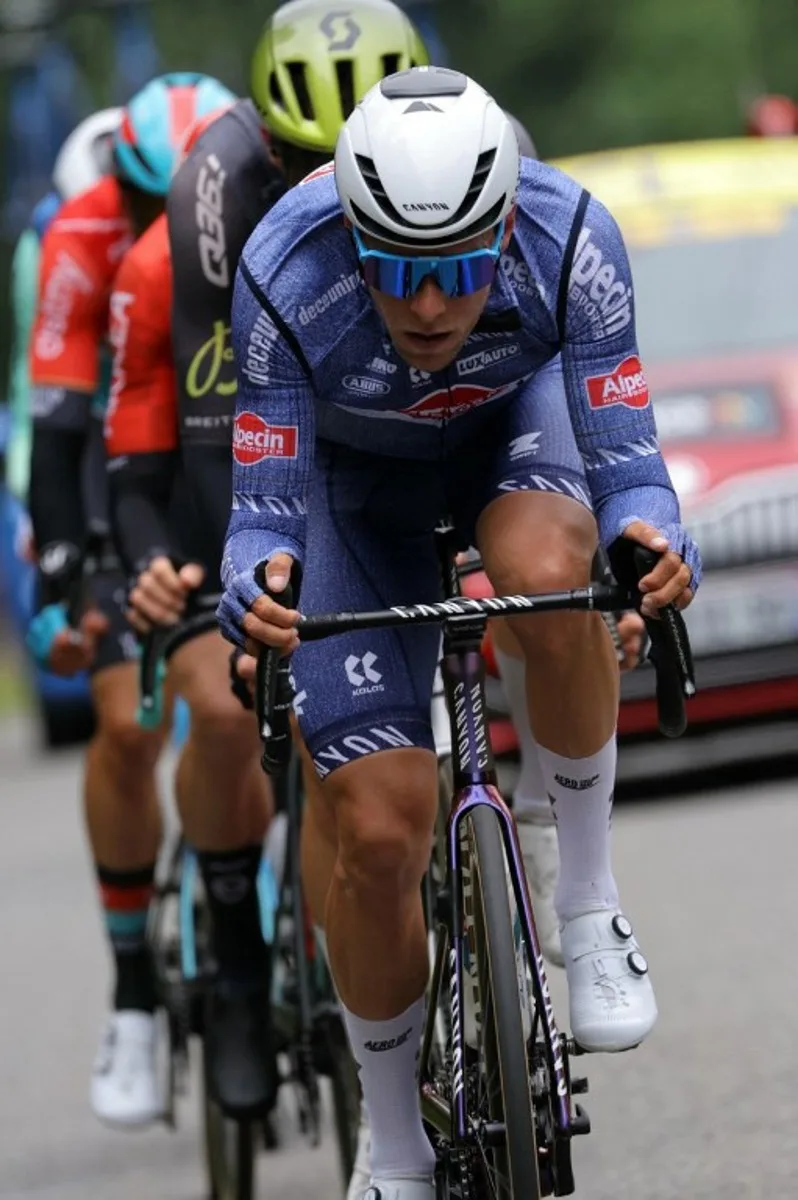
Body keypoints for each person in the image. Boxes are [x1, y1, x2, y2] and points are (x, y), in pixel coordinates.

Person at [218, 67, 701, 1199]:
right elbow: (259, 515)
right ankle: (392, 1147)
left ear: (500, 228)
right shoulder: (285, 270)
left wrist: (650, 547)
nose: (428, 308)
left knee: (554, 570)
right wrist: (259, 588)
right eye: (393, 272)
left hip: (507, 443)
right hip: (351, 493)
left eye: (454, 275)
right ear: (348, 235)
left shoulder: (570, 234)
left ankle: (585, 905)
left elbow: (630, 464)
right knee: (381, 837)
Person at [103, 0, 431, 1140]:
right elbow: (208, 421)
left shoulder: (456, 162)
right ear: (265, 144)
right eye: (300, 163)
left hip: (368, 452)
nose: (319, 193)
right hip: (228, 450)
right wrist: (245, 593)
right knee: (227, 705)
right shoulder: (205, 203)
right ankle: (238, 966)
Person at [26, 72, 236, 1129]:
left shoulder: (255, 202)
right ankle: (134, 992)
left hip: (230, 456)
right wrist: (59, 577)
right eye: (151, 206)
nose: (171, 228)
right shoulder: (78, 235)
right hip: (127, 479)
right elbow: (58, 427)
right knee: (124, 721)